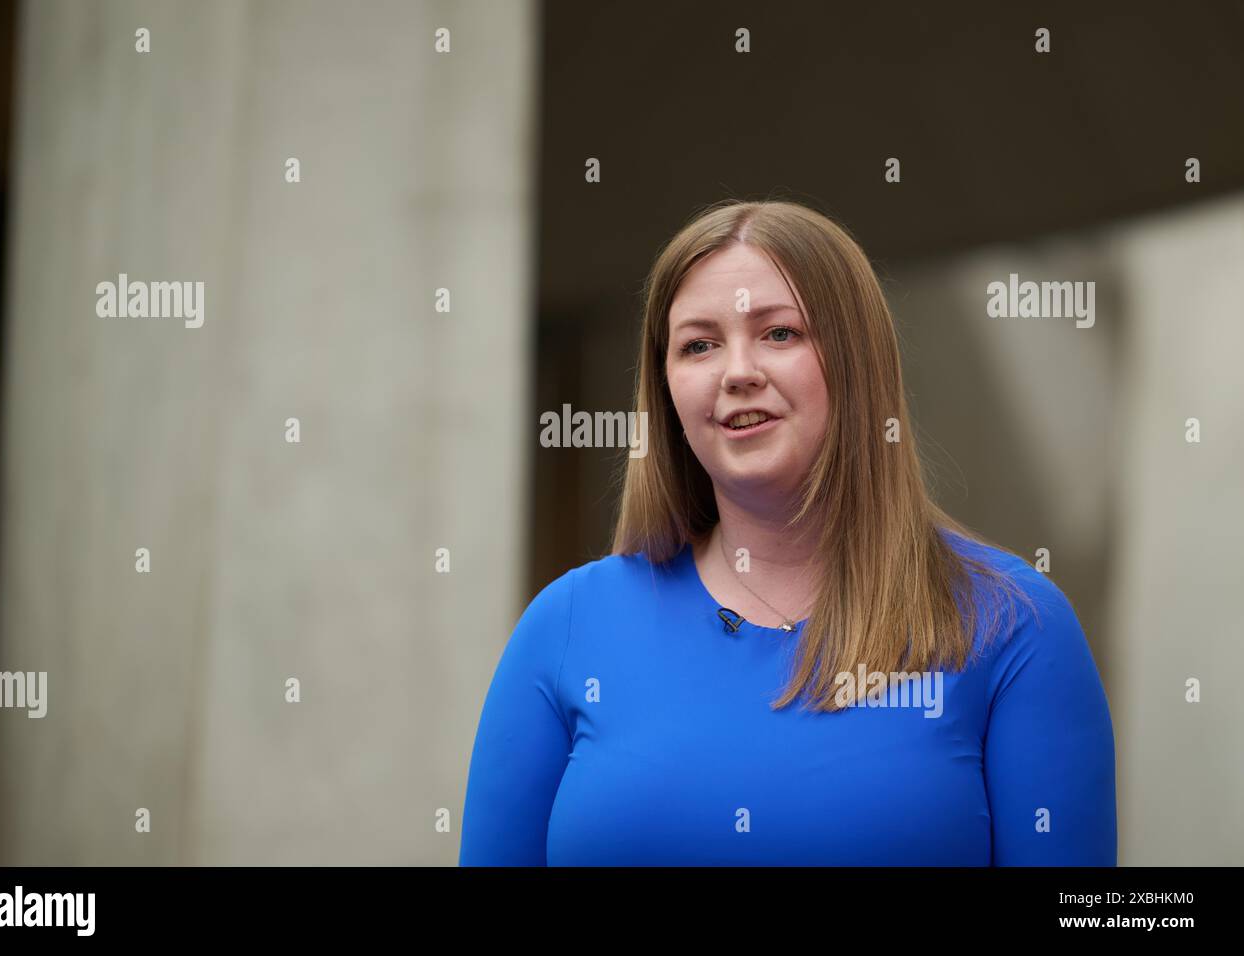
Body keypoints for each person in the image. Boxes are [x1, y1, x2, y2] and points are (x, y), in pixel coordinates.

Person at [459, 199, 1117, 866]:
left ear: (858, 363)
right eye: (699, 344)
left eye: (779, 333)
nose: (736, 371)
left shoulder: (1012, 623)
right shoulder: (568, 625)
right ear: (667, 390)